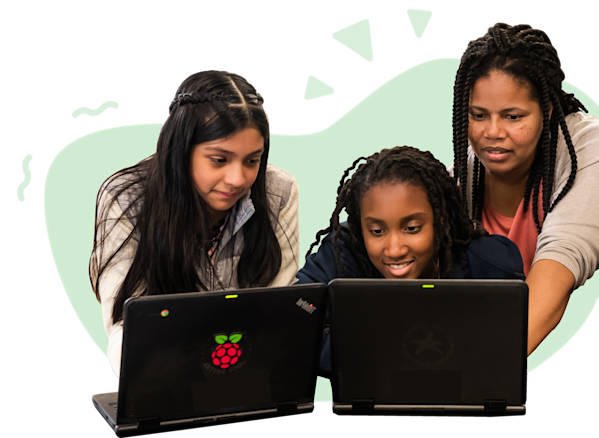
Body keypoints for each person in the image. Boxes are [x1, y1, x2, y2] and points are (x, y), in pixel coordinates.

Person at [89, 70, 299, 378]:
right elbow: (128, 327)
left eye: (252, 160)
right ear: (180, 149)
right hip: (161, 376)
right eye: (218, 160)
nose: (238, 179)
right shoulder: (126, 198)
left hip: (246, 374)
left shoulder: (278, 191)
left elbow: (278, 308)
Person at [294, 146, 525, 378]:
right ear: (359, 226)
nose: (395, 250)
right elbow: (299, 312)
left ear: (440, 219)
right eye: (376, 231)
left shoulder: (489, 264)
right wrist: (381, 350)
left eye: (412, 229)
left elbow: (501, 356)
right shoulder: (342, 251)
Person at [448, 22, 599, 356]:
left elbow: (563, 257)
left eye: (513, 117)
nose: (493, 132)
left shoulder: (587, 149)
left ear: (546, 111)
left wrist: (481, 375)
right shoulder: (461, 176)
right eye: (478, 114)